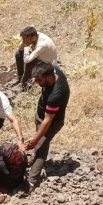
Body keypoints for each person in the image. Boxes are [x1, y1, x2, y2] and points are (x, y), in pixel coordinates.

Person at [24, 62, 70, 192]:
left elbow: (48, 120)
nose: (37, 83)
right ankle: (35, 158)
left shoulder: (56, 95)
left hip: (52, 122)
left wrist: (35, 140)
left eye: (39, 80)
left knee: (40, 148)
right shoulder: (53, 70)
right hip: (42, 114)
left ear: (49, 77)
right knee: (41, 144)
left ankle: (31, 182)